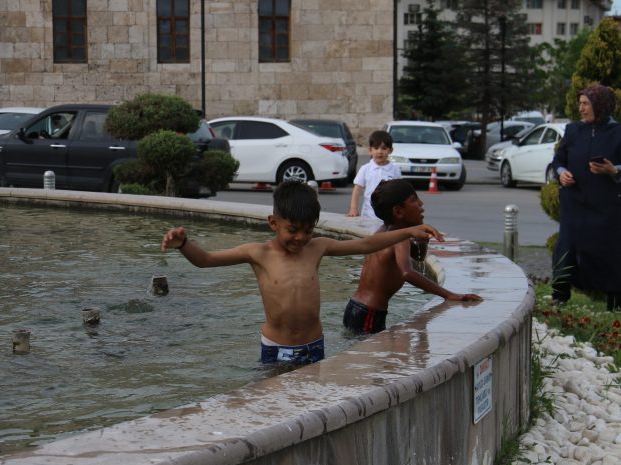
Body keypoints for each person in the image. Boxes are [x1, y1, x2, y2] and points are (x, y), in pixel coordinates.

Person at [161, 181, 444, 366]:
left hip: (313, 346)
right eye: (293, 230)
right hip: (276, 346)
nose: (300, 238)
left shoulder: (317, 248)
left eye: (308, 230)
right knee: (273, 402)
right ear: (273, 223)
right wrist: (184, 244)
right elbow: (207, 260)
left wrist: (407, 231)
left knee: (310, 404)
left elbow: (366, 243)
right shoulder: (257, 253)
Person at [343, 179, 482, 334]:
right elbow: (406, 272)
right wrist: (449, 294)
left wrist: (422, 242)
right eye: (414, 200)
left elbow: (418, 257)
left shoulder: (384, 232)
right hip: (370, 313)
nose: (421, 204)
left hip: (356, 307)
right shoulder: (400, 238)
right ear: (398, 212)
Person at [551, 84, 621, 311]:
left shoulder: (618, 133)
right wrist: (562, 174)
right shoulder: (573, 131)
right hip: (574, 205)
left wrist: (613, 170)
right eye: (580, 103)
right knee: (566, 248)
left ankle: (614, 302)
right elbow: (558, 160)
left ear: (599, 106)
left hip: (606, 208)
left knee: (608, 252)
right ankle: (559, 297)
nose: (580, 108)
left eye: (585, 104)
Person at [346, 130, 401, 223]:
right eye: (376, 148)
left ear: (390, 150)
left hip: (389, 215)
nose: (379, 152)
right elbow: (357, 189)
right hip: (368, 215)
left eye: (384, 148)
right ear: (370, 150)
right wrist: (353, 208)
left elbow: (400, 190)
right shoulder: (365, 169)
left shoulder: (395, 169)